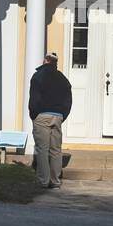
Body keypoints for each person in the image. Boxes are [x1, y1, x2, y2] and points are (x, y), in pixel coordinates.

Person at [29, 52, 72, 188]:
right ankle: (55, 181)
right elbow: (68, 100)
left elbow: (34, 98)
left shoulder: (38, 76)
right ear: (55, 62)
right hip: (58, 116)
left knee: (42, 149)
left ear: (45, 61)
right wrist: (63, 115)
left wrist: (33, 114)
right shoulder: (63, 78)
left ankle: (43, 180)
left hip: (42, 115)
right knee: (56, 150)